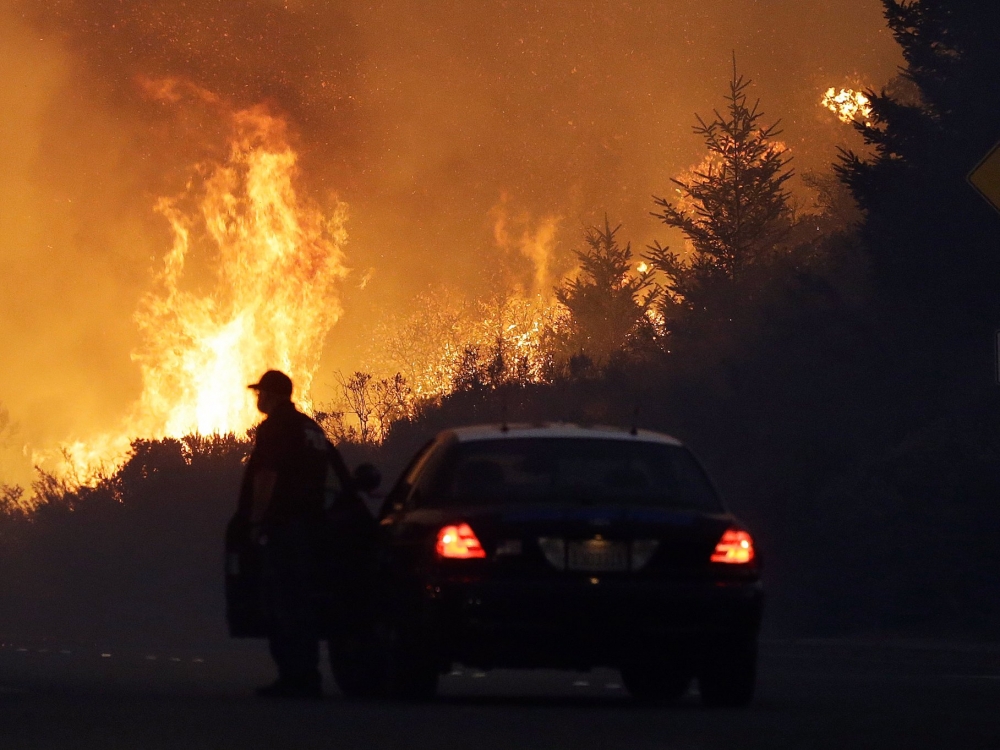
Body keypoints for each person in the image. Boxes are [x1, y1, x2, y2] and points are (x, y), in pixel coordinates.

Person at [243, 369, 330, 698]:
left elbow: (266, 476)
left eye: (261, 393)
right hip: (314, 528)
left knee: (284, 602)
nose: (258, 398)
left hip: (285, 527)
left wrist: (255, 520)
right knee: (302, 602)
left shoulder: (276, 428)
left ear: (275, 395)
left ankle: (296, 677)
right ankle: (305, 674)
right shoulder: (311, 429)